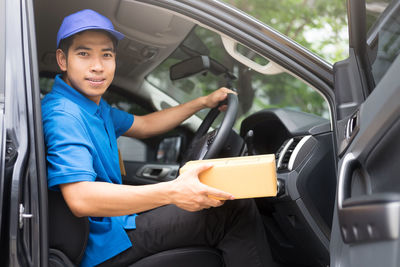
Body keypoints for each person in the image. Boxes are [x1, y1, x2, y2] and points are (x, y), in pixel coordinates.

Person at [42, 9, 276, 267]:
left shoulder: (92, 107)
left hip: (111, 227)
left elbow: (144, 125)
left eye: (106, 54)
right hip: (98, 246)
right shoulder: (64, 114)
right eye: (84, 53)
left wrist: (202, 102)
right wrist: (173, 192)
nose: (97, 66)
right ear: (63, 60)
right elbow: (81, 198)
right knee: (233, 209)